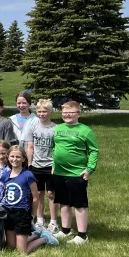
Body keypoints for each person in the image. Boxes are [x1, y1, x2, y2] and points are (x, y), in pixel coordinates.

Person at [50, 101, 99, 245]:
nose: (67, 115)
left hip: (77, 173)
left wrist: (89, 169)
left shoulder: (86, 131)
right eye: (64, 112)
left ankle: (82, 236)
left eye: (71, 112)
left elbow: (94, 150)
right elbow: (55, 149)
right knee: (64, 202)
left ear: (78, 113)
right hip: (59, 172)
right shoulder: (58, 128)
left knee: (79, 204)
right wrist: (54, 166)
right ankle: (66, 230)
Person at [1, 145, 48, 255]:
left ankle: (44, 238)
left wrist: (32, 215)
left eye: (18, 157)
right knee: (11, 246)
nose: (15, 159)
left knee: (22, 252)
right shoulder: (5, 175)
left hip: (22, 213)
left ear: (23, 159)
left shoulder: (28, 175)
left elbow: (36, 198)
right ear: (8, 157)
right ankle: (36, 234)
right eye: (12, 156)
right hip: (8, 213)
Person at [23, 98, 58, 230]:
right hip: (36, 166)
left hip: (50, 166)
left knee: (51, 194)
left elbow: (57, 149)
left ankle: (54, 222)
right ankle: (40, 219)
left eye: (45, 111)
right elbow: (30, 147)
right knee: (38, 194)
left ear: (50, 112)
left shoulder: (56, 128)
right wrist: (30, 165)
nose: (42, 114)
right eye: (39, 111)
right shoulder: (33, 126)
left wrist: (55, 166)